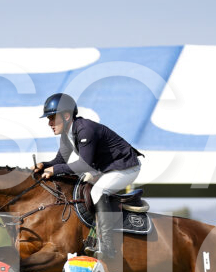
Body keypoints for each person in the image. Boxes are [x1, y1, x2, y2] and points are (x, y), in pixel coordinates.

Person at [32, 93, 142, 260]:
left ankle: (107, 245)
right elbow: (59, 161)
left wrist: (54, 169)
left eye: (52, 118)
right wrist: (43, 165)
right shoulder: (67, 134)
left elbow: (84, 164)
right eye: (49, 119)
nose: (49, 123)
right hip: (107, 168)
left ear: (66, 116)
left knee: (98, 191)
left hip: (126, 166)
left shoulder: (85, 130)